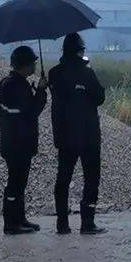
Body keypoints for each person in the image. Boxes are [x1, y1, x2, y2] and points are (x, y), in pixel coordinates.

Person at [49, 33, 106, 235]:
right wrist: (86, 69)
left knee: (63, 178)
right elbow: (100, 97)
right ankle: (87, 223)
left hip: (65, 136)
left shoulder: (54, 74)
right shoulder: (87, 74)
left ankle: (62, 223)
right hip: (88, 135)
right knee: (91, 178)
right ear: (79, 52)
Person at [0, 46, 47, 235]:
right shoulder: (15, 86)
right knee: (15, 183)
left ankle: (19, 219)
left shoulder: (9, 84)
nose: (34, 65)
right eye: (32, 63)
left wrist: (35, 92)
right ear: (24, 65)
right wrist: (41, 91)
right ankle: (11, 223)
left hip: (14, 142)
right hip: (18, 143)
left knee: (19, 182)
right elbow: (31, 111)